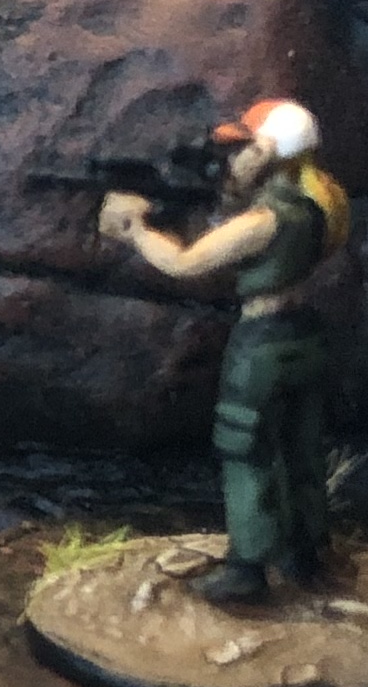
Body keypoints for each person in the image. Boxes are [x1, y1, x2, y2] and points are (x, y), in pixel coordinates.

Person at [99, 98, 353, 607]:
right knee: (301, 445)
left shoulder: (265, 221)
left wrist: (137, 230)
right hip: (305, 335)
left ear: (266, 153)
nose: (232, 160)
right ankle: (306, 552)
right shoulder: (322, 205)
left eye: (242, 149)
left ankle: (248, 568)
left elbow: (185, 263)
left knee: (246, 447)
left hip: (263, 341)